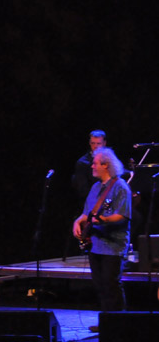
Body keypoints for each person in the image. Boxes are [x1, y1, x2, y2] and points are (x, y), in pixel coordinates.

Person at [72, 147, 131, 313]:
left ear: (106, 165)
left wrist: (103, 220)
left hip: (113, 246)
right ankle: (106, 320)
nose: (91, 166)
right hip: (95, 245)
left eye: (95, 163)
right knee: (100, 286)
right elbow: (86, 213)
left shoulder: (120, 187)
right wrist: (77, 222)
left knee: (111, 284)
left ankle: (118, 321)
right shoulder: (95, 187)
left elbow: (122, 216)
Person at [71, 130, 106, 202]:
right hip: (94, 202)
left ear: (104, 143)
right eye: (93, 143)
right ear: (89, 143)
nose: (95, 146)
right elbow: (83, 191)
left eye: (98, 143)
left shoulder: (109, 159)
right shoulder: (83, 163)